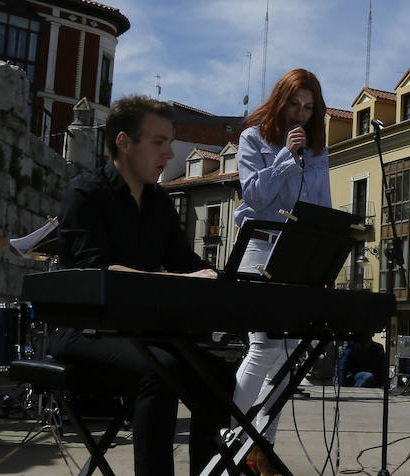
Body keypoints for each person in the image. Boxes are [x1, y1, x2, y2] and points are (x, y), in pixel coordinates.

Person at [50, 95, 232, 476]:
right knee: (159, 371)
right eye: (159, 142)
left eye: (170, 141)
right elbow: (94, 268)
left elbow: (186, 263)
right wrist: (178, 278)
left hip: (143, 331)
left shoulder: (160, 202)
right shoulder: (85, 193)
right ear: (124, 142)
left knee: (217, 376)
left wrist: (225, 278)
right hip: (84, 329)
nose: (169, 152)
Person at [231, 69, 331, 450]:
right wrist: (286, 157)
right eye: (295, 104)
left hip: (299, 250)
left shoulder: (319, 149)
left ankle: (262, 444)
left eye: (308, 107)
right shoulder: (252, 138)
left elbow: (321, 204)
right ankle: (231, 431)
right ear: (280, 101)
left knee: (290, 356)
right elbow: (254, 196)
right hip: (259, 244)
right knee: (265, 347)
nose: (300, 113)